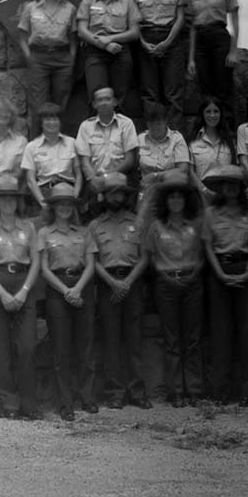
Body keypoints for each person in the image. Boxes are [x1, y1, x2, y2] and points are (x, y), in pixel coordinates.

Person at [0, 175, 41, 419]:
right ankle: (9, 405)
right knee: (1, 349)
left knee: (27, 347)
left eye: (12, 198)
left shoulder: (28, 227)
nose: (7, 202)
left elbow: (36, 261)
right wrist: (2, 293)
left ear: (18, 201)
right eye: (3, 198)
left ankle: (29, 405)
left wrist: (24, 291)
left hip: (24, 284)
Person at [141, 169, 206, 407]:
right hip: (166, 284)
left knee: (192, 339)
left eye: (180, 197)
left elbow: (202, 256)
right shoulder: (157, 227)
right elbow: (152, 259)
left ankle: (195, 389)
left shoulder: (195, 226)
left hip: (192, 283)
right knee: (171, 339)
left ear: (185, 200)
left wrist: (192, 276)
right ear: (166, 201)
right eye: (171, 197)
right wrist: (168, 278)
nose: (176, 201)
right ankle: (176, 390)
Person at [201, 165, 248, 406]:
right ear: (219, 189)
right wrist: (220, 274)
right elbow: (207, 246)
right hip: (219, 271)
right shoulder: (211, 214)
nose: (230, 188)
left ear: (240, 188)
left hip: (245, 269)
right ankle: (221, 391)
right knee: (220, 333)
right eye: (225, 184)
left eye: (234, 184)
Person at [89, 173, 151, 409]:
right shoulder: (95, 226)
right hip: (107, 284)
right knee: (111, 340)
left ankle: (137, 392)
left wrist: (127, 282)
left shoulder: (137, 222)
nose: (117, 197)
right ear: (105, 196)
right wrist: (114, 284)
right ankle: (115, 392)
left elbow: (145, 257)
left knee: (135, 339)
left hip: (132, 283)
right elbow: (92, 260)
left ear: (126, 196)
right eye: (112, 193)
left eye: (121, 193)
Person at [37, 184, 98, 421]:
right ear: (53, 208)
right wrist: (66, 291)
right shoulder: (45, 233)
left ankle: (87, 397)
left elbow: (91, 263)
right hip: (58, 289)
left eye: (68, 204)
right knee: (60, 348)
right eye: (60, 204)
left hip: (82, 286)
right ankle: (65, 401)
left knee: (85, 345)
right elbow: (43, 267)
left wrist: (78, 289)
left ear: (73, 207)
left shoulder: (83, 232)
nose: (64, 208)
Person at [132, 0, 187, 131]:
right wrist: (143, 44)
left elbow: (180, 18)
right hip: (145, 40)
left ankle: (175, 142)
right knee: (150, 95)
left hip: (171, 39)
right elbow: (134, 22)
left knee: (174, 94)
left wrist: (167, 42)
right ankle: (154, 139)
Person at [17, 0, 77, 137]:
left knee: (61, 105)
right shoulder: (31, 8)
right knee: (38, 106)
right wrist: (29, 57)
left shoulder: (69, 8)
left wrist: (71, 59)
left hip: (62, 59)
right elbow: (22, 36)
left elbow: (73, 38)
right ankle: (37, 146)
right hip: (38, 58)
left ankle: (61, 146)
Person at [76, 0, 141, 103]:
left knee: (119, 97)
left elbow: (135, 32)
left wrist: (110, 40)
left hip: (120, 52)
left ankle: (119, 125)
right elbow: (81, 30)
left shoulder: (127, 0)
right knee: (96, 96)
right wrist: (103, 44)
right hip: (94, 52)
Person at [186, 0, 239, 109]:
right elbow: (193, 26)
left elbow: (235, 23)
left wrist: (233, 51)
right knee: (204, 88)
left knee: (223, 87)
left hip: (220, 38)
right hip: (200, 39)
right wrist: (191, 59)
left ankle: (227, 130)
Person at [76, 87, 138, 206]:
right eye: (100, 100)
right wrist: (93, 179)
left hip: (121, 178)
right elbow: (84, 161)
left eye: (107, 99)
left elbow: (130, 160)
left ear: (114, 102)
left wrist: (106, 177)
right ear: (94, 104)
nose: (104, 103)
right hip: (94, 180)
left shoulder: (126, 123)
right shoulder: (85, 126)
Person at [20, 102, 81, 212]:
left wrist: (75, 197)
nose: (52, 123)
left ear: (60, 122)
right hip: (44, 192)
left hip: (68, 191)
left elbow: (78, 174)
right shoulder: (31, 147)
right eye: (47, 119)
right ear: (41, 123)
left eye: (55, 119)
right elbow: (30, 180)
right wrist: (42, 203)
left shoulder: (72, 143)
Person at [136, 103, 191, 201]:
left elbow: (183, 170)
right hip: (147, 191)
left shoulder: (177, 139)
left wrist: (156, 176)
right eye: (151, 123)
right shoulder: (140, 139)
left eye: (158, 123)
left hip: (173, 190)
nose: (155, 127)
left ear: (165, 121)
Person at [188, 95, 237, 201]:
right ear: (202, 114)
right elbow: (190, 172)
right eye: (208, 111)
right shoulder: (193, 139)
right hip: (201, 195)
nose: (212, 115)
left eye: (216, 111)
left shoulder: (230, 140)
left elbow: (234, 168)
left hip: (227, 195)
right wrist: (205, 191)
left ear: (221, 114)